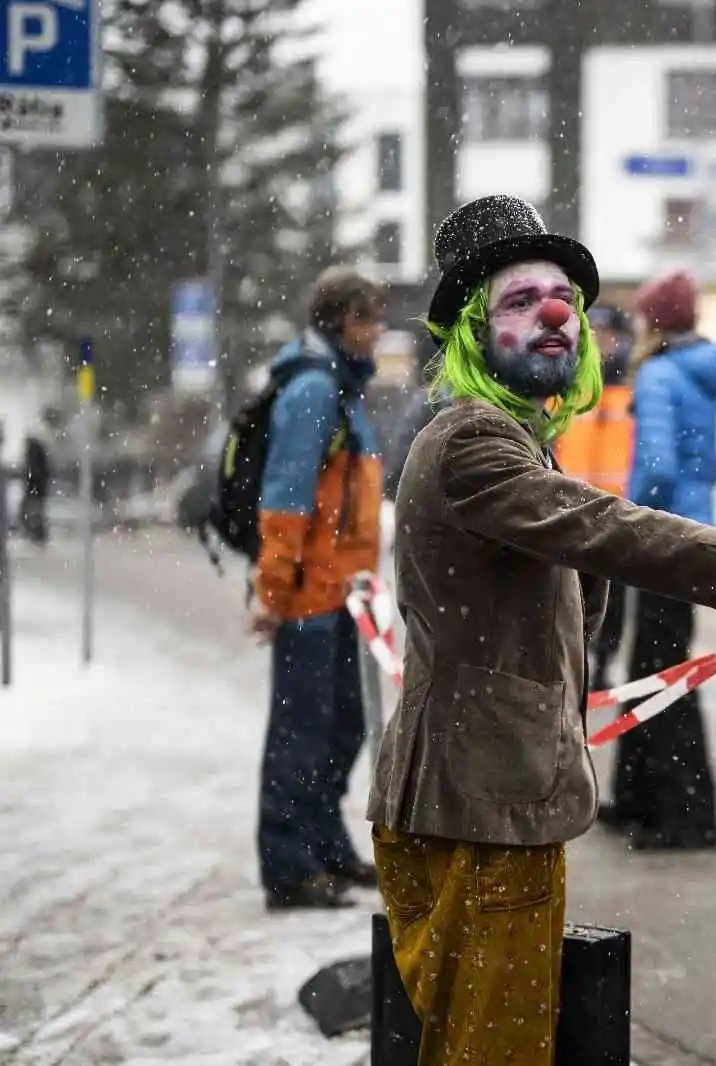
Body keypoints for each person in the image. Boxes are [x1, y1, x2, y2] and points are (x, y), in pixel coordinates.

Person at [366, 194, 716, 1066]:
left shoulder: (512, 435)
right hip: (480, 809)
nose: (554, 314)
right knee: (491, 1055)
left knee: (480, 1046)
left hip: (489, 798)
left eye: (565, 300)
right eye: (518, 301)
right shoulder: (472, 441)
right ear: (471, 330)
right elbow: (615, 528)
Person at [251, 266, 388, 911]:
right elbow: (286, 500)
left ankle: (326, 847)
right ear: (342, 321)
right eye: (370, 318)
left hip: (346, 595)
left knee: (344, 727)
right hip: (310, 597)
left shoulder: (344, 389)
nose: (379, 329)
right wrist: (273, 593)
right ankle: (289, 865)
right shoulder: (311, 391)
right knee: (300, 733)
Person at [598, 268, 716, 851]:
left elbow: (654, 468)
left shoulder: (657, 374)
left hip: (663, 538)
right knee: (654, 663)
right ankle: (636, 798)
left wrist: (630, 524)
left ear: (652, 319)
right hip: (698, 530)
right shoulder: (710, 372)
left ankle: (685, 816)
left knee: (664, 672)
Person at [552, 303, 635, 689]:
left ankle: (603, 662)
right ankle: (580, 658)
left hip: (616, 508)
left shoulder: (629, 388)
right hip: (573, 508)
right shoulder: (568, 384)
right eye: (595, 334)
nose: (602, 342)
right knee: (572, 593)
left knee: (612, 600)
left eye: (608, 334)